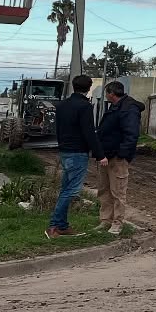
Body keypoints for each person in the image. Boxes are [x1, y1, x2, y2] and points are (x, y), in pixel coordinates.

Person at [46, 75, 104, 239]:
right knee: (72, 190)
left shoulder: (62, 105)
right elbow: (89, 132)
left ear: (73, 86)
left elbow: (57, 128)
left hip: (65, 151)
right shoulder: (85, 106)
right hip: (78, 152)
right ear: (89, 88)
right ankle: (54, 226)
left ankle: (62, 225)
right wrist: (100, 154)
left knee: (66, 189)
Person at [95, 81, 143, 235]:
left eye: (106, 93)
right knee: (104, 190)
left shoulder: (129, 109)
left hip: (117, 157)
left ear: (111, 94)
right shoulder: (115, 107)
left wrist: (122, 154)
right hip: (106, 155)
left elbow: (132, 134)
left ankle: (117, 223)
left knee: (118, 192)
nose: (105, 96)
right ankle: (105, 220)